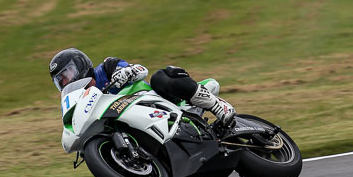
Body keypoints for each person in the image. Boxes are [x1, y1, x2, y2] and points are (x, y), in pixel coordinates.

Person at [49, 48, 236, 125]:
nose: (65, 82)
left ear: (80, 65)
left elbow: (140, 70)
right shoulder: (81, 100)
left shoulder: (106, 67)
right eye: (60, 81)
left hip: (159, 104)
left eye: (66, 75)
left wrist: (125, 73)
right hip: (134, 122)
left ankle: (217, 106)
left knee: (160, 77)